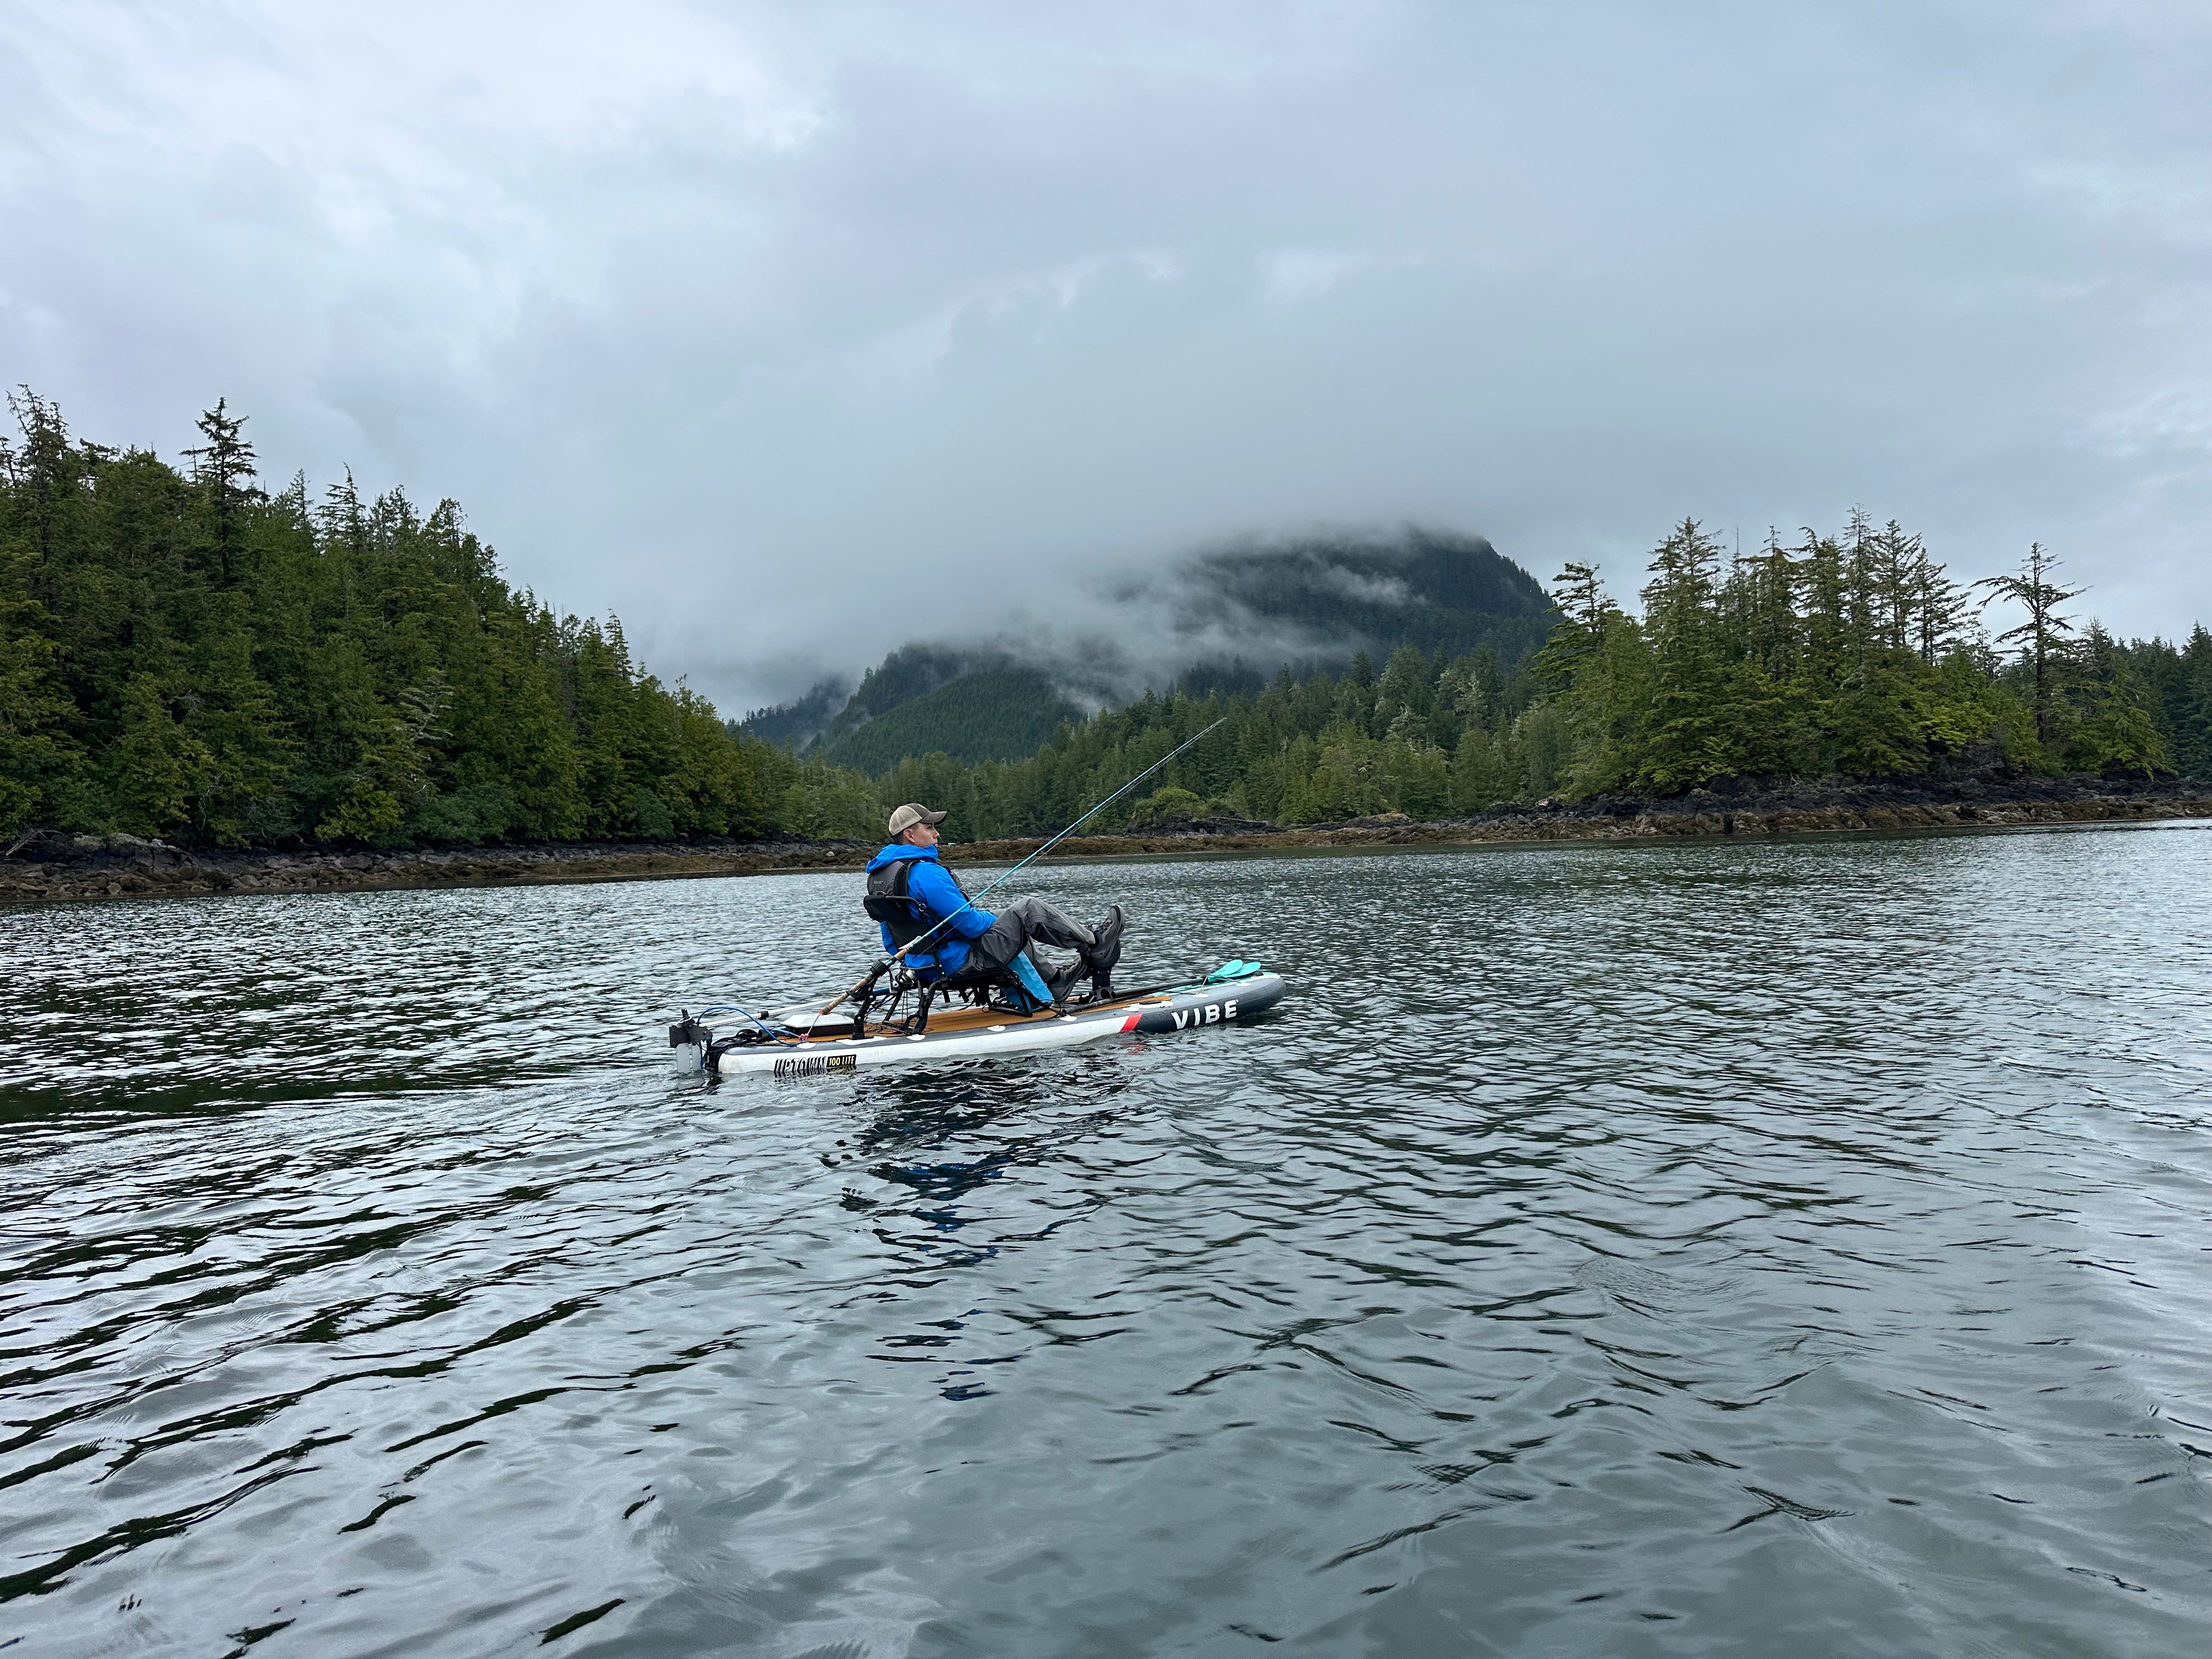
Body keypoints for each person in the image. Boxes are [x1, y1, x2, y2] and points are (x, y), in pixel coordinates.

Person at [865, 803, 1125, 1006]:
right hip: (958, 962)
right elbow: (972, 926)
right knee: (1027, 910)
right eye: (929, 827)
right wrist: (995, 921)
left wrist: (998, 920)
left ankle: (1056, 981)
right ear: (910, 835)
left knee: (1007, 917)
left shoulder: (880, 876)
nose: (937, 833)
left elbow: (892, 943)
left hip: (922, 965)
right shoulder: (926, 873)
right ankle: (1095, 943)